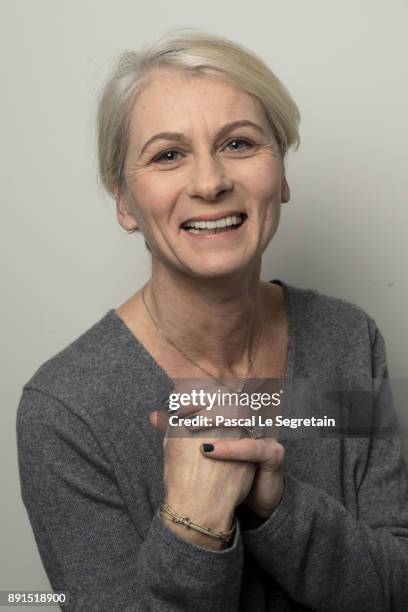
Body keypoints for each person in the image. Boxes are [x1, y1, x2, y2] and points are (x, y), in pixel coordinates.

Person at [16, 29, 408, 611]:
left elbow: (395, 588)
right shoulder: (65, 409)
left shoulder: (348, 338)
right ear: (124, 201)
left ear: (282, 175)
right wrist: (192, 529)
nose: (210, 182)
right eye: (168, 154)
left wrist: (278, 506)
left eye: (240, 144)